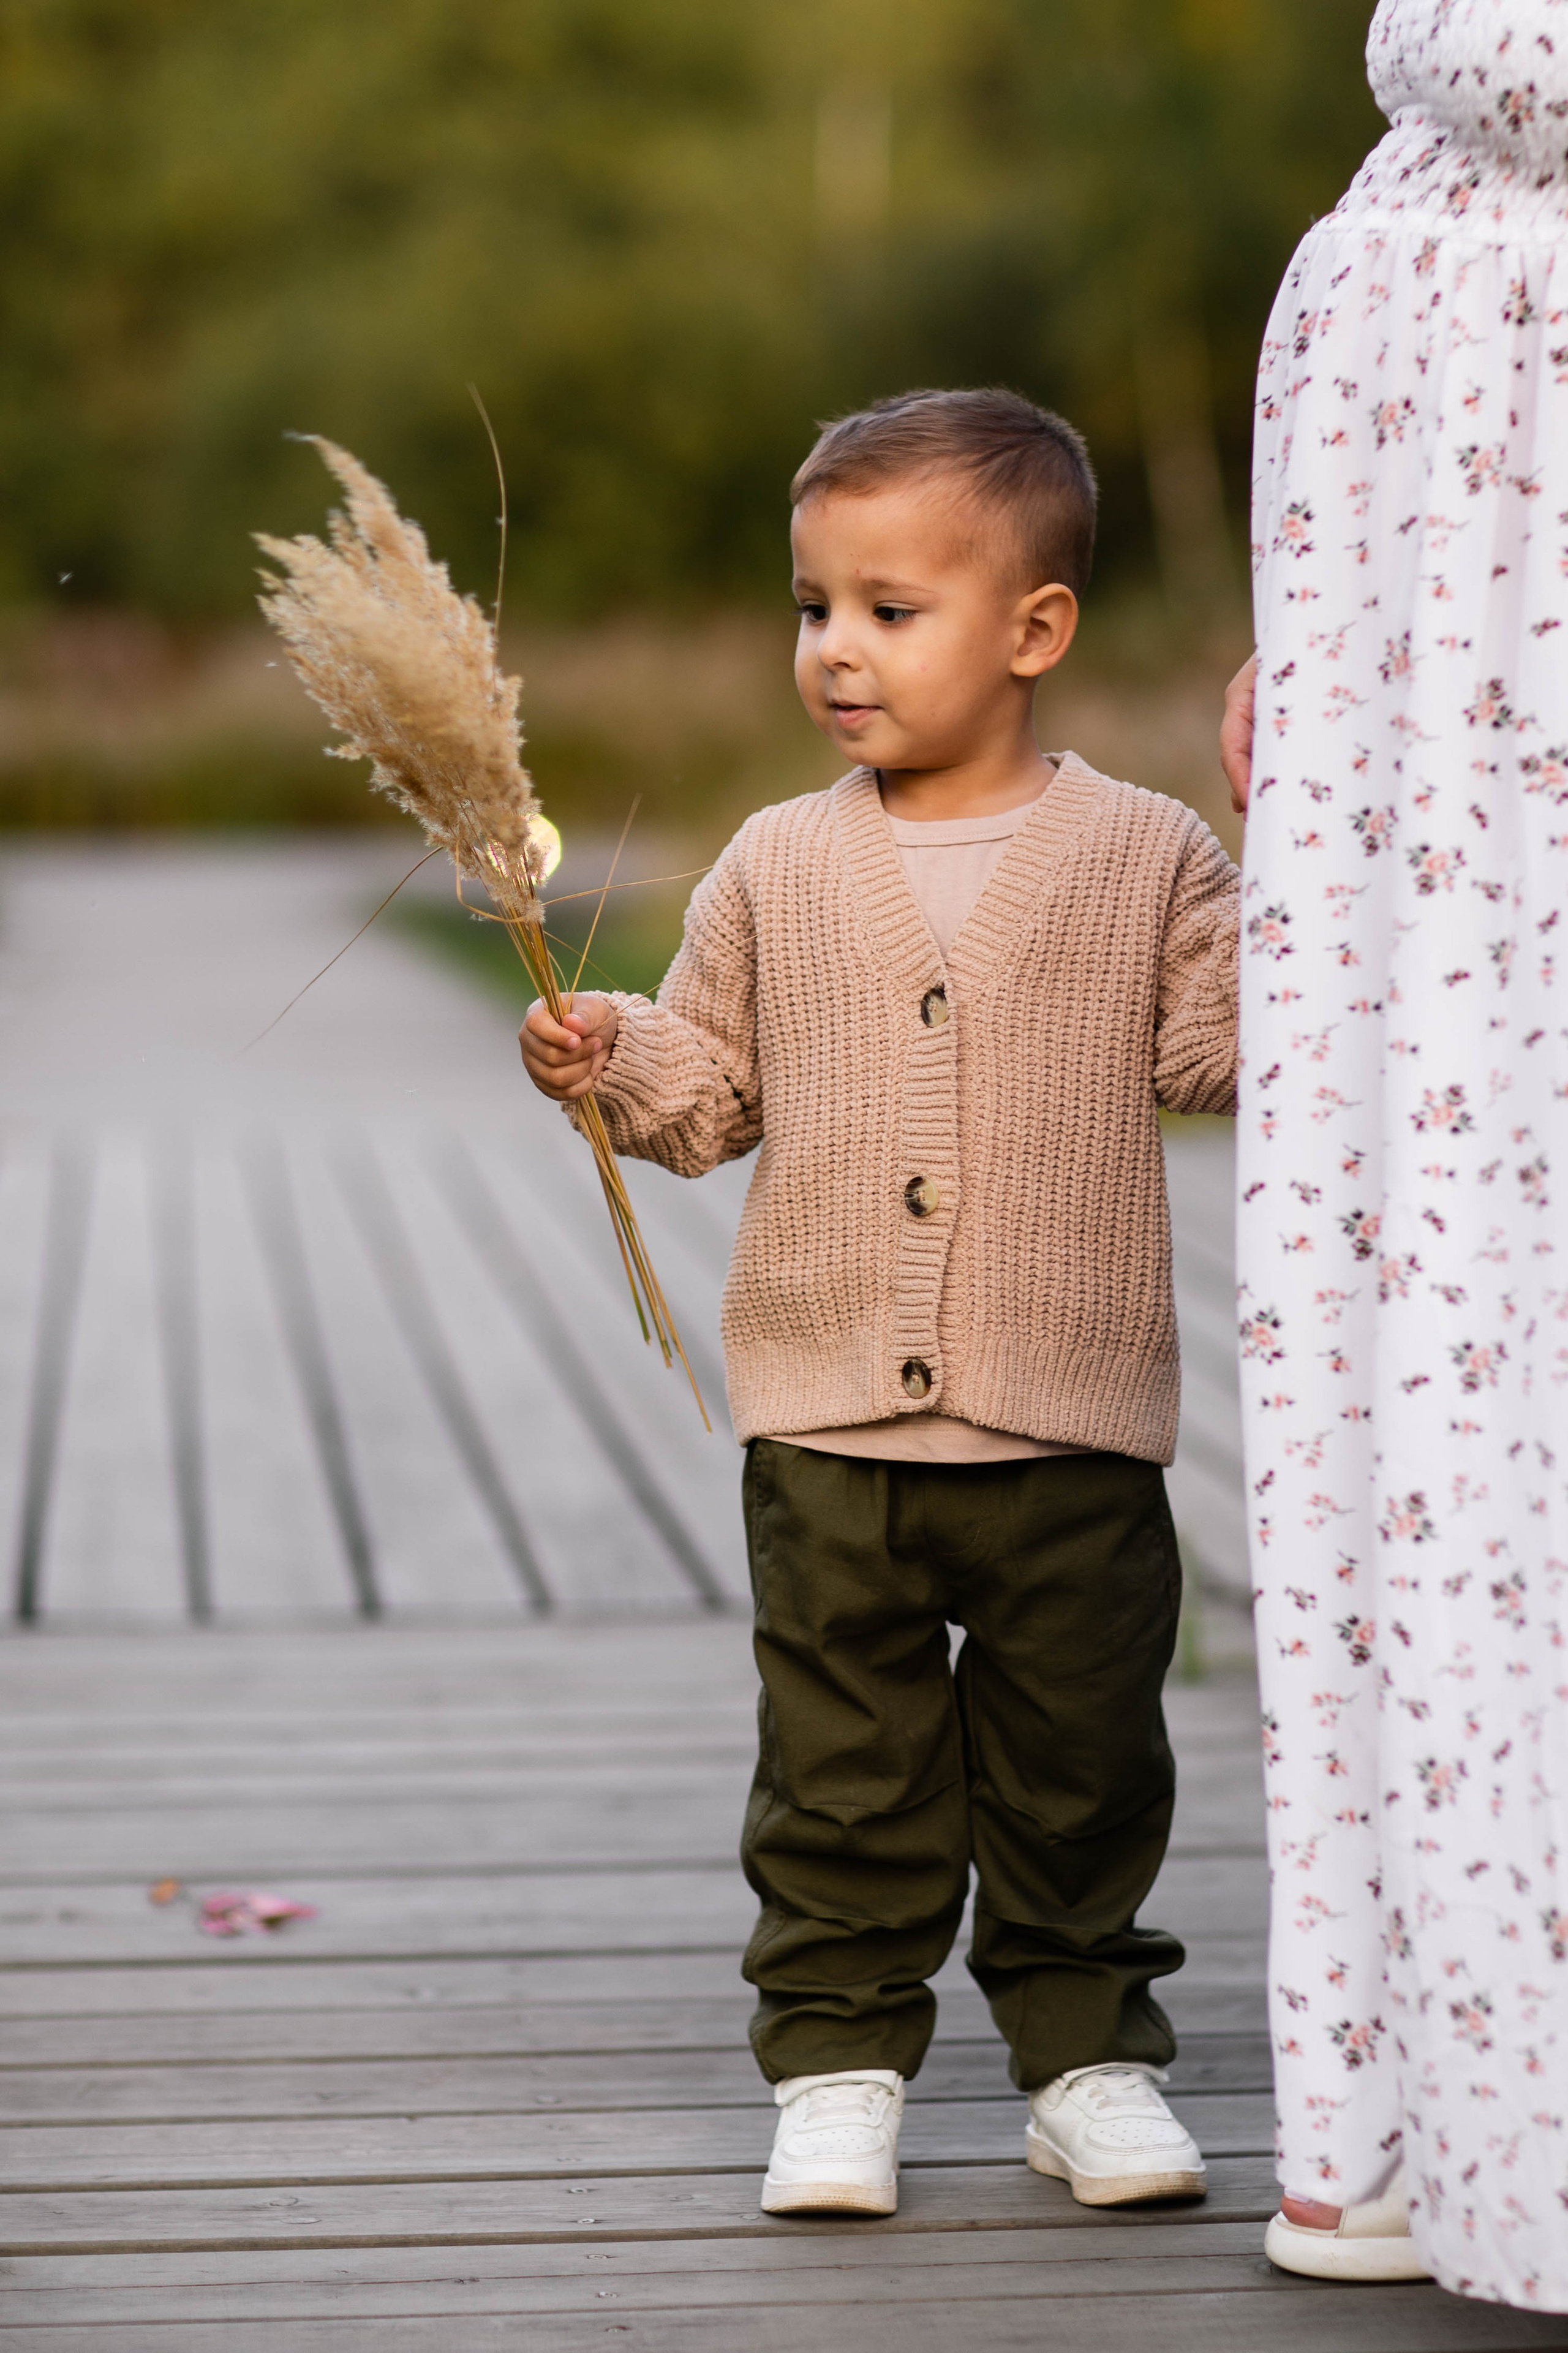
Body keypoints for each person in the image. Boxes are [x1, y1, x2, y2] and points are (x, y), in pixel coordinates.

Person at [521, 387, 1238, 2218]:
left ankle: (1084, 2060)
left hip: (1069, 1418)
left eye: (887, 609)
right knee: (842, 1772)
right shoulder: (778, 858)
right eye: (811, 606)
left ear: (1035, 630)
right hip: (831, 1422)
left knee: (1082, 1762)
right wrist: (612, 1052)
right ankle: (839, 2061)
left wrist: (1309, 860)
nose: (835, 649)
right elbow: (717, 1094)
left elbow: (1237, 1048)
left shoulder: (1149, 853)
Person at [1225, 0, 1568, 2307]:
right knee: (1426, 1321)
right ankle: (1403, 2090)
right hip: (1427, 518)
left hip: (1469, 498)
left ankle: (1452, 2099)